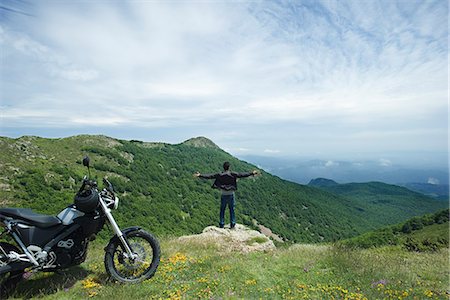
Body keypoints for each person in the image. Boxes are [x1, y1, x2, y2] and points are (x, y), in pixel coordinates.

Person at [194, 161, 259, 229]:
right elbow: (242, 174)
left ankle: (221, 224)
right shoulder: (232, 174)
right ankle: (232, 224)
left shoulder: (220, 174)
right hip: (231, 194)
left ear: (223, 167)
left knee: (222, 210)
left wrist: (200, 175)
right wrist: (251, 173)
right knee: (232, 209)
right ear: (229, 167)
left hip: (223, 194)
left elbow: (210, 176)